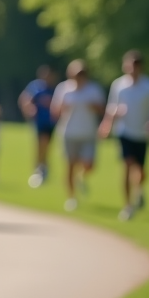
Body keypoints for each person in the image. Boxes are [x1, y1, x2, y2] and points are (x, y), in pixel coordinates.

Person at [99, 50, 149, 221]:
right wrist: (107, 124)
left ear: (141, 67)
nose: (132, 69)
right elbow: (111, 107)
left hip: (142, 134)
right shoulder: (119, 85)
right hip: (124, 131)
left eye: (136, 65)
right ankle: (127, 206)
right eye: (129, 65)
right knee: (127, 166)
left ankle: (139, 190)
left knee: (141, 171)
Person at [51, 60, 105, 211]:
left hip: (88, 133)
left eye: (81, 74)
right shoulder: (63, 88)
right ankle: (72, 198)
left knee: (89, 164)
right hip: (68, 132)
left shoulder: (93, 89)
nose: (79, 77)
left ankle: (80, 177)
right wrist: (63, 108)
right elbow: (55, 111)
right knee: (69, 166)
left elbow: (102, 109)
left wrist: (94, 107)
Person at [18, 65, 57, 188]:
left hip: (51, 122)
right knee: (40, 144)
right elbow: (25, 99)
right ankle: (39, 167)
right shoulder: (36, 86)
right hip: (39, 122)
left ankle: (43, 166)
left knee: (47, 145)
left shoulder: (54, 89)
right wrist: (29, 110)